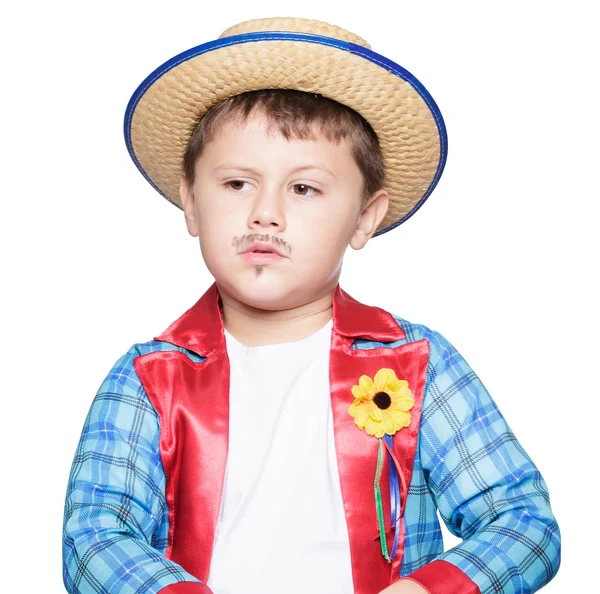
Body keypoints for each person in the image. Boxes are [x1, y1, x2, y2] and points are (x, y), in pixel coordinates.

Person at [62, 16, 561, 594]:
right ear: (191, 203)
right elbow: (94, 537)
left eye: (304, 188)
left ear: (364, 218)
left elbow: (523, 522)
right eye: (236, 184)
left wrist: (430, 589)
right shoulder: (149, 379)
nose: (264, 213)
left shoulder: (418, 364)